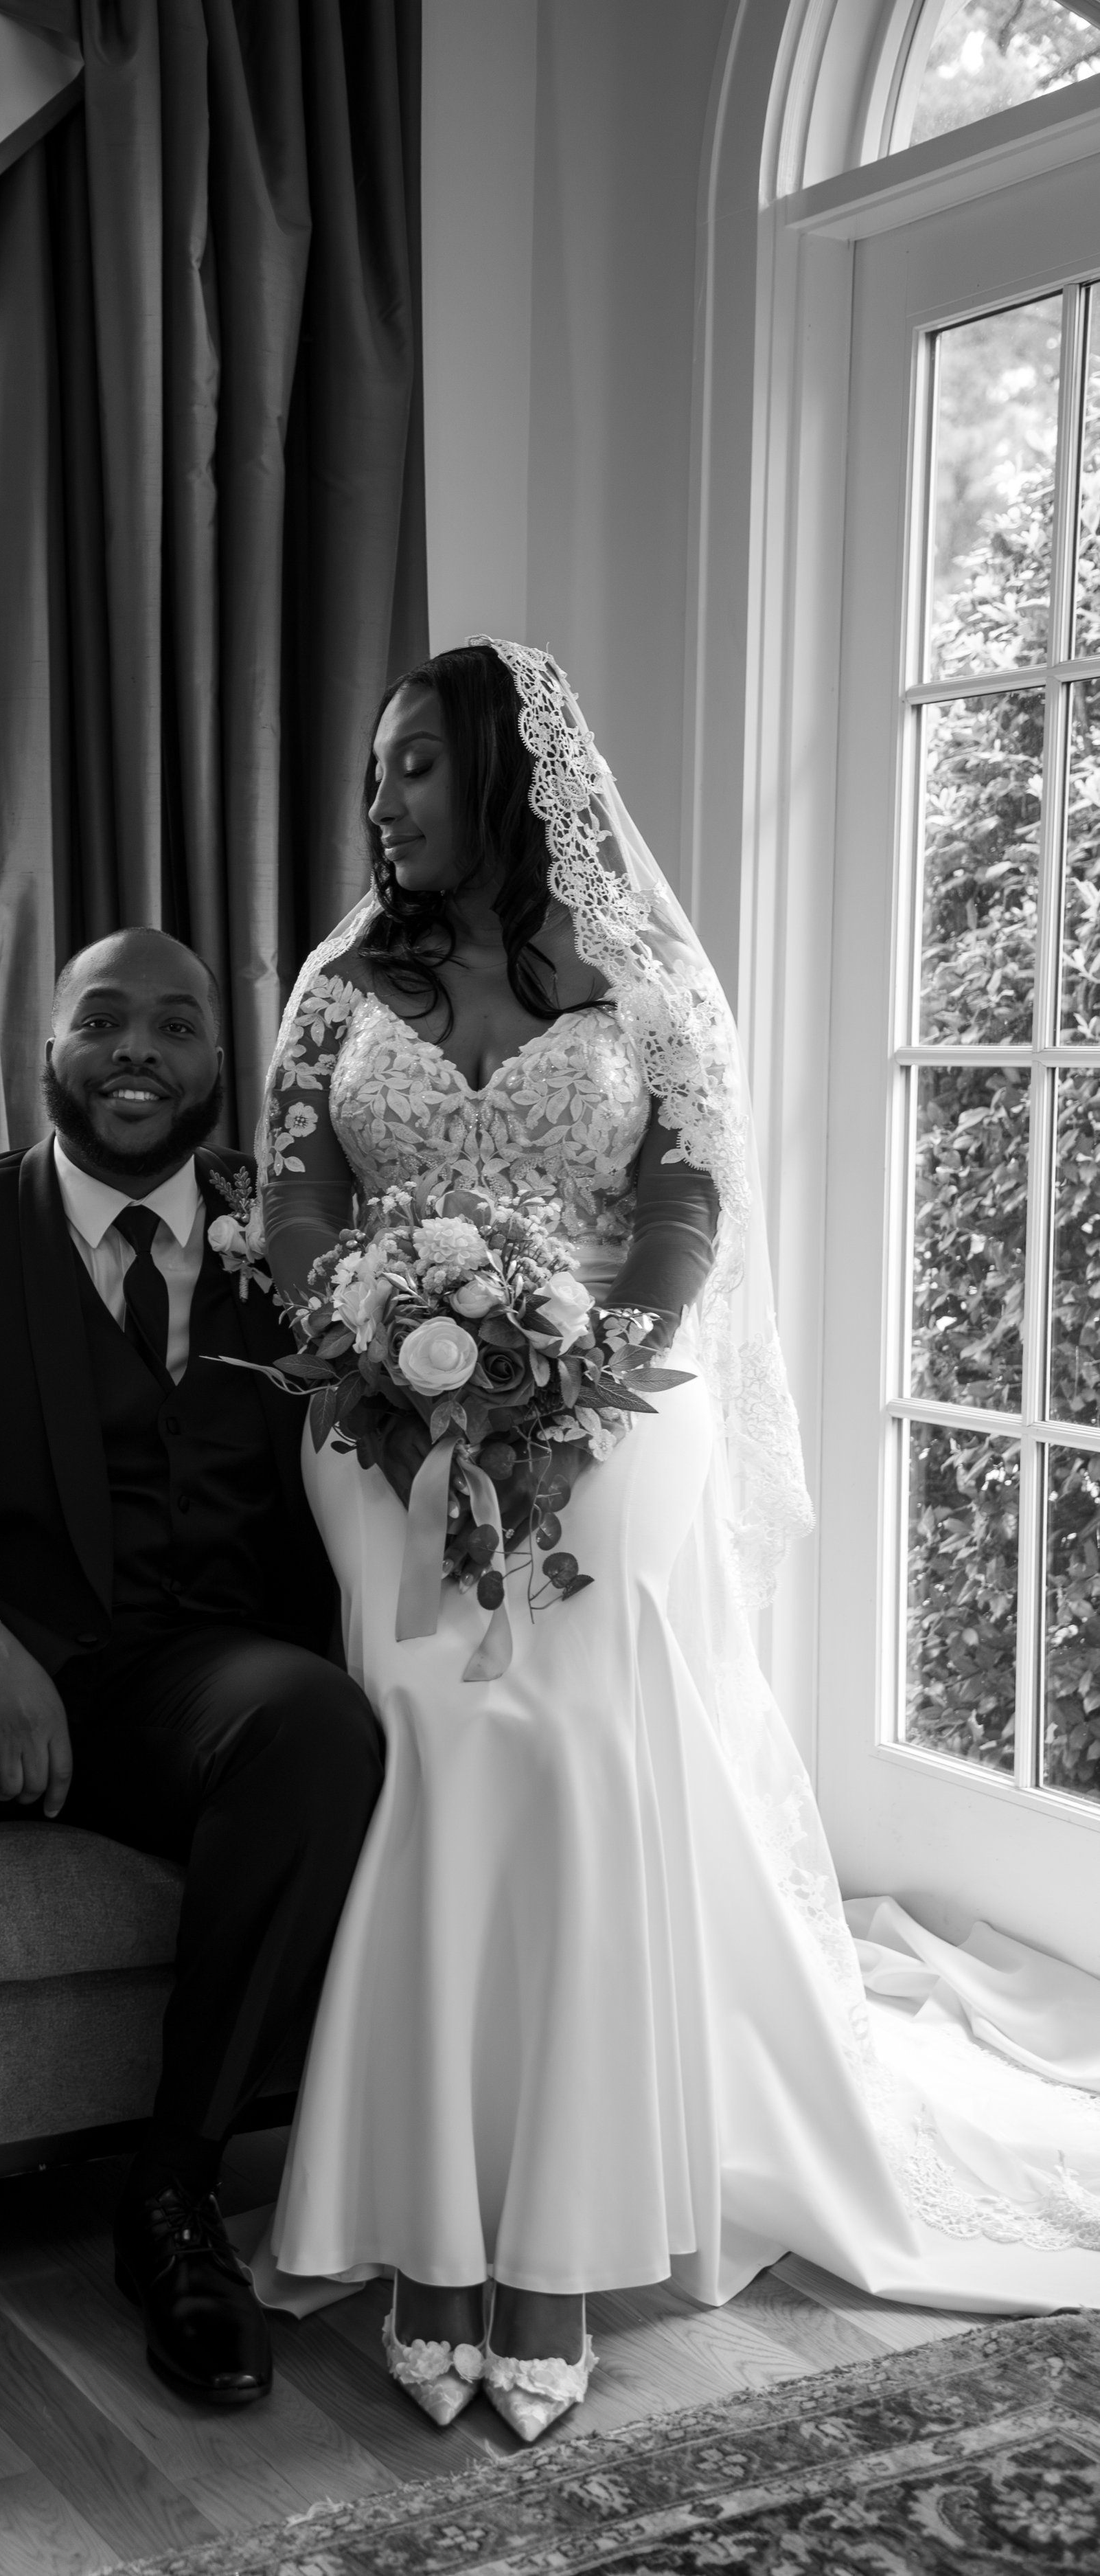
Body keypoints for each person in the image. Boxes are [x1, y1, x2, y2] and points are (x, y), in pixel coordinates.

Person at [254, 640, 1100, 2444]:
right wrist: (380, 1335)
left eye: (413, 764)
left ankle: (553, 2247)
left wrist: (572, 1370)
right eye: (373, 769)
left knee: (571, 1754)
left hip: (611, 1407)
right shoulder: (340, 983)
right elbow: (296, 1194)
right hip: (382, 1419)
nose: (379, 799)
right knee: (433, 1757)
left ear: (500, 770)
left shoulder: (637, 975)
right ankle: (424, 2233)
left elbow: (686, 1200)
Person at [0, 926, 383, 2472]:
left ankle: (176, 2195)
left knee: (317, 1730)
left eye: (174, 1024)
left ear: (220, 1063)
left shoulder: (304, 1246)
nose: (137, 1049)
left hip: (188, 1672)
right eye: (103, 1019)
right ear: (47, 1049)